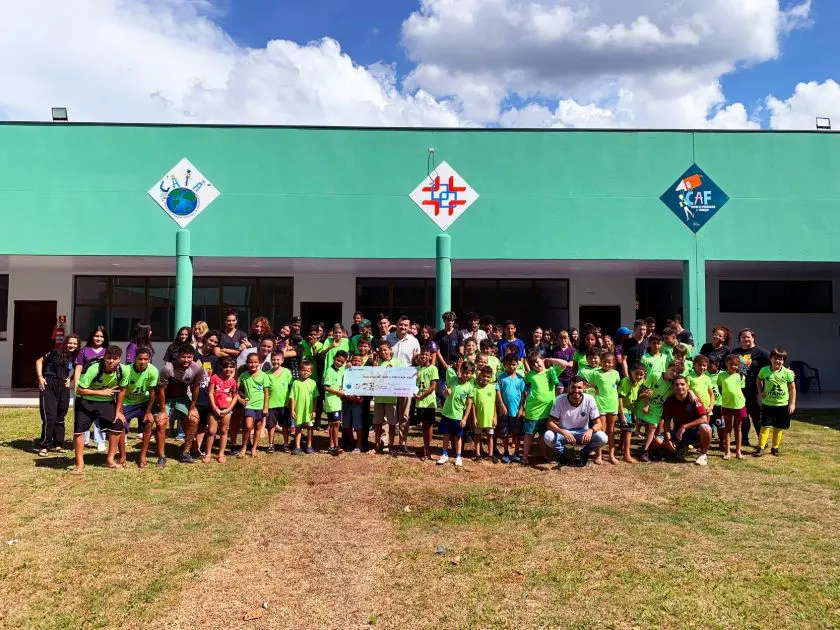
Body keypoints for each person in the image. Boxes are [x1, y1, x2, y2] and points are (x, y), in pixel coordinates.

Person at [72, 345, 124, 474]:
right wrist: (101, 392)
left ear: (120, 359)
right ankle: (79, 464)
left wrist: (118, 411)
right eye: (109, 358)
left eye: (115, 358)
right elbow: (79, 389)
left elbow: (122, 390)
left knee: (117, 424)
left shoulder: (123, 371)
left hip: (106, 402)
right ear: (104, 357)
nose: (111, 361)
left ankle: (110, 460)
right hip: (85, 401)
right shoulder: (94, 368)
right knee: (79, 431)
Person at [156, 344, 203, 466]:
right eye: (183, 357)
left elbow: (195, 389)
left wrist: (192, 408)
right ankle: (161, 456)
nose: (186, 360)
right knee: (161, 423)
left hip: (182, 398)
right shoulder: (167, 368)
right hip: (166, 398)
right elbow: (161, 390)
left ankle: (185, 453)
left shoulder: (197, 369)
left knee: (194, 419)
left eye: (189, 357)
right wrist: (162, 411)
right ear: (178, 356)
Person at [543, 376, 606, 467]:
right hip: (565, 433)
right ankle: (563, 453)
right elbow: (550, 423)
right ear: (569, 387)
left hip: (583, 432)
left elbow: (599, 423)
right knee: (548, 436)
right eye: (573, 387)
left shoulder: (590, 399)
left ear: (584, 388)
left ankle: (584, 452)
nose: (576, 390)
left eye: (579, 387)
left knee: (603, 438)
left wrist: (590, 430)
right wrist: (563, 432)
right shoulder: (560, 399)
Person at [35, 333, 81, 456]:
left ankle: (58, 444)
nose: (72, 345)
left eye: (75, 343)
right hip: (49, 384)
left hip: (63, 386)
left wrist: (71, 380)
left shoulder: (76, 357)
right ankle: (45, 445)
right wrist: (40, 377)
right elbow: (39, 361)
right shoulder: (55, 352)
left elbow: (79, 370)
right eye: (70, 343)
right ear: (65, 343)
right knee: (49, 417)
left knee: (60, 416)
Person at [115, 347, 159, 468]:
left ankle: (142, 456)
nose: (142, 362)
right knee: (120, 424)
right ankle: (122, 456)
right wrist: (119, 410)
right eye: (140, 359)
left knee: (148, 423)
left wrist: (148, 411)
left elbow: (152, 393)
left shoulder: (153, 371)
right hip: (127, 402)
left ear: (149, 359)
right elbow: (122, 391)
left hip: (143, 402)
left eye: (146, 359)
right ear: (135, 359)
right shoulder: (126, 370)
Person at [660, 375, 711, 466]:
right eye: (676, 384)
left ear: (687, 386)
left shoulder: (694, 399)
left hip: (695, 433)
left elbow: (704, 419)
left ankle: (703, 455)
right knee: (657, 441)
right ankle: (680, 448)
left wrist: (685, 426)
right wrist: (668, 440)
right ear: (673, 387)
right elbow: (667, 423)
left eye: (682, 384)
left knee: (706, 428)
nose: (680, 387)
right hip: (679, 434)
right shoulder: (669, 401)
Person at [637, 362, 683, 462]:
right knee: (647, 428)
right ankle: (649, 448)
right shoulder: (655, 375)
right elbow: (645, 390)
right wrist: (646, 405)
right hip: (645, 403)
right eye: (673, 370)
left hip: (657, 408)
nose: (674, 373)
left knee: (653, 427)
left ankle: (645, 451)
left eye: (677, 373)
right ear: (667, 368)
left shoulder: (673, 384)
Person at [755, 348, 796, 457]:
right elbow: (758, 380)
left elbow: (792, 388)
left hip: (782, 405)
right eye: (775, 358)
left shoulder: (787, 373)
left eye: (781, 359)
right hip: (768, 404)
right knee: (765, 426)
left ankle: (775, 447)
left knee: (778, 427)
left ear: (783, 361)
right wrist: (761, 391)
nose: (778, 361)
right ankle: (761, 447)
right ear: (771, 359)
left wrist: (792, 403)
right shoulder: (764, 370)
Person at [74, 325, 110, 452]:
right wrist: (77, 384)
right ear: (92, 336)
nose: (98, 338)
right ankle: (84, 440)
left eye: (101, 336)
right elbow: (78, 368)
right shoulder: (84, 351)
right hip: (85, 389)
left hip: (101, 388)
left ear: (105, 338)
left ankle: (100, 441)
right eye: (96, 336)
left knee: (99, 416)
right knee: (84, 414)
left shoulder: (107, 351)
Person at [522, 353, 560, 466]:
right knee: (529, 434)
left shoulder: (551, 372)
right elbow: (525, 388)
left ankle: (544, 455)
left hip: (548, 411)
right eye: (534, 364)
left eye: (538, 361)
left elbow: (565, 364)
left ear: (542, 360)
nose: (537, 365)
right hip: (533, 411)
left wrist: (549, 359)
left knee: (544, 435)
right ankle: (524, 457)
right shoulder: (530, 375)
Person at [388, 316, 420, 452]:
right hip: (390, 381)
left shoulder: (414, 341)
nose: (403, 327)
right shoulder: (388, 338)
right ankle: (387, 443)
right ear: (396, 325)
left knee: (405, 414)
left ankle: (402, 442)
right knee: (389, 412)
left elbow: (417, 361)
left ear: (409, 327)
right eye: (401, 324)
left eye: (406, 325)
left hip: (406, 381)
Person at [734, 329, 771, 447]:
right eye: (743, 337)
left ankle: (763, 441)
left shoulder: (761, 352)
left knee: (756, 415)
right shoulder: (735, 352)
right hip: (739, 388)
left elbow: (775, 362)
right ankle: (743, 439)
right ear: (740, 339)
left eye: (748, 337)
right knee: (742, 414)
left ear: (753, 338)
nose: (746, 339)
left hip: (754, 388)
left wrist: (785, 371)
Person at [437, 360, 475, 467]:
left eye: (468, 373)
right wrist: (446, 392)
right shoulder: (453, 379)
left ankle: (458, 456)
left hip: (458, 416)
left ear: (471, 374)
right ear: (460, 371)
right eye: (463, 372)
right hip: (446, 413)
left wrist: (465, 418)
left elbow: (469, 404)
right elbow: (446, 391)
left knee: (458, 437)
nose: (465, 375)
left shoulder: (469, 387)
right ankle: (444, 454)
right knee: (446, 435)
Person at [589, 352, 621, 465]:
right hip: (601, 404)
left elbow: (617, 385)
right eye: (605, 362)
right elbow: (590, 384)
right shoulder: (596, 373)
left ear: (613, 363)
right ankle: (599, 455)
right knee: (601, 431)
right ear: (601, 362)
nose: (607, 364)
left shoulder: (616, 373)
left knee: (611, 431)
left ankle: (611, 455)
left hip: (613, 404)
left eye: (610, 362)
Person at [204, 357, 238, 463]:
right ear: (221, 367)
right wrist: (214, 407)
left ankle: (221, 453)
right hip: (214, 409)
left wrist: (229, 409)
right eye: (226, 367)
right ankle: (208, 453)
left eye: (231, 367)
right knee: (211, 431)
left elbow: (235, 396)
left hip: (226, 409)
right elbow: (210, 393)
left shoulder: (233, 381)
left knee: (224, 431)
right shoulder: (214, 378)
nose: (228, 369)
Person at [372, 340, 403, 454]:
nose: (383, 352)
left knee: (392, 423)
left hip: (391, 398)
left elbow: (401, 377)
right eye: (380, 350)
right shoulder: (377, 362)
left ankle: (391, 445)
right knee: (378, 422)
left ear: (390, 350)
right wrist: (374, 368)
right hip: (379, 397)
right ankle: (377, 444)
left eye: (385, 350)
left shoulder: (397, 362)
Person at [237, 352, 270, 458]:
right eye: (250, 362)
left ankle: (254, 448)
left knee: (258, 427)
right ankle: (243, 447)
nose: (253, 364)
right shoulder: (244, 375)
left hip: (260, 406)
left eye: (255, 362)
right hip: (249, 405)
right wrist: (239, 399)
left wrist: (266, 407)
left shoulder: (264, 375)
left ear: (259, 363)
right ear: (247, 363)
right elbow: (234, 388)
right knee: (248, 426)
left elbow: (266, 392)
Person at [496, 354, 526, 463]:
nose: (511, 367)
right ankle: (506, 452)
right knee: (505, 434)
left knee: (516, 434)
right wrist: (502, 405)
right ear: (504, 365)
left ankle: (517, 452)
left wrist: (521, 409)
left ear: (517, 365)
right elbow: (498, 391)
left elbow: (523, 395)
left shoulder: (520, 379)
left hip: (516, 411)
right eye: (509, 364)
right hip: (505, 411)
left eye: (513, 364)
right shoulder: (501, 378)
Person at [718, 354, 747, 460]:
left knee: (738, 428)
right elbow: (720, 388)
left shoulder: (741, 376)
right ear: (726, 363)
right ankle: (727, 452)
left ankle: (738, 452)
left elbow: (740, 389)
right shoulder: (721, 375)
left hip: (739, 405)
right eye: (731, 364)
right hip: (726, 405)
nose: (734, 367)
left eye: (736, 365)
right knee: (728, 428)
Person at [265, 350, 293, 453]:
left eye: (278, 359)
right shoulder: (267, 374)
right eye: (273, 359)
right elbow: (266, 391)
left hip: (284, 404)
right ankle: (271, 445)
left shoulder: (287, 372)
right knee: (271, 426)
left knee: (285, 425)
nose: (276, 361)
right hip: (271, 404)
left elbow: (291, 388)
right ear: (271, 360)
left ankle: (286, 444)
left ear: (282, 360)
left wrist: (290, 402)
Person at [322, 350, 349, 455]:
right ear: (334, 358)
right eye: (338, 360)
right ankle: (335, 446)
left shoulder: (339, 370)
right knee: (335, 424)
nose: (339, 363)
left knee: (334, 424)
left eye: (342, 362)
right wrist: (339, 392)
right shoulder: (330, 370)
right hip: (331, 402)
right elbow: (326, 387)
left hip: (337, 401)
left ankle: (331, 446)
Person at [617, 362, 645, 463]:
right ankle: (627, 455)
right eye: (636, 374)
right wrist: (622, 415)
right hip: (623, 409)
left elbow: (636, 396)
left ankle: (620, 448)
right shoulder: (625, 381)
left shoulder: (641, 382)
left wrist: (644, 394)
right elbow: (619, 398)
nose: (639, 376)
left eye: (641, 374)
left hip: (631, 410)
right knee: (629, 430)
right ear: (631, 372)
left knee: (625, 430)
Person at [414, 347, 439, 460]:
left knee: (429, 426)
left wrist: (422, 396)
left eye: (426, 354)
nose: (423, 356)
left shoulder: (433, 369)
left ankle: (427, 451)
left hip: (429, 402)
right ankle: (426, 447)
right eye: (422, 354)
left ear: (430, 357)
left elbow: (433, 386)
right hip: (419, 402)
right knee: (424, 426)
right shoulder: (416, 369)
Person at [289, 359, 318, 455]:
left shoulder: (313, 383)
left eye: (307, 370)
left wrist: (314, 410)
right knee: (298, 428)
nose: (305, 372)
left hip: (309, 411)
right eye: (303, 370)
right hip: (298, 410)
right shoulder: (295, 383)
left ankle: (309, 446)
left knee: (310, 428)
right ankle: (297, 447)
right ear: (299, 371)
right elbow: (292, 397)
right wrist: (292, 410)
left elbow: (315, 398)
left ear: (311, 372)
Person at [434, 312, 464, 402]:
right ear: (444, 320)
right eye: (448, 320)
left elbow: (461, 350)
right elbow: (437, 351)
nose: (450, 322)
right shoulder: (439, 335)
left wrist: (457, 364)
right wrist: (445, 365)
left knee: (455, 390)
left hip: (455, 367)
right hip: (442, 368)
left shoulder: (458, 333)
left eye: (452, 320)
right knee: (442, 393)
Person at [472, 365, 497, 462]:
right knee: (478, 435)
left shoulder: (492, 388)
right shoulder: (475, 388)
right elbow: (473, 404)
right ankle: (478, 454)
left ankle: (490, 454)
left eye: (488, 377)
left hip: (489, 418)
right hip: (479, 417)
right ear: (480, 375)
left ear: (491, 377)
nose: (485, 378)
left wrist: (495, 417)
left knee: (490, 436)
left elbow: (494, 403)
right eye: (484, 376)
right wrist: (474, 418)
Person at [342, 354, 366, 453]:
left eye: (359, 361)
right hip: (347, 399)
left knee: (357, 424)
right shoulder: (346, 371)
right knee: (346, 424)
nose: (356, 362)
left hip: (358, 401)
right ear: (351, 361)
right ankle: (352, 442)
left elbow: (366, 386)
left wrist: (359, 396)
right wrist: (347, 395)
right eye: (355, 360)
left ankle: (359, 445)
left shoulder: (365, 373)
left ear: (362, 363)